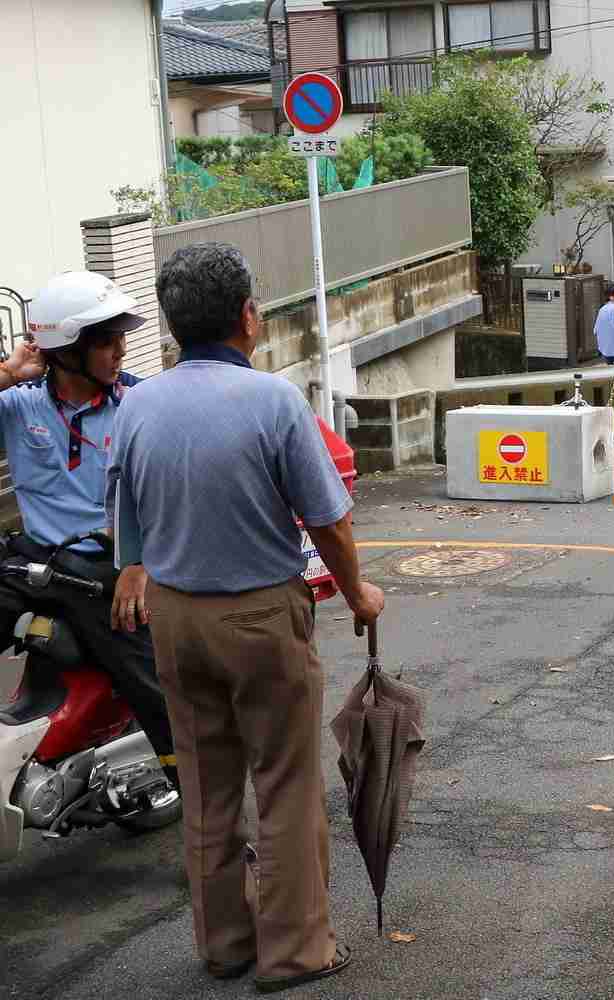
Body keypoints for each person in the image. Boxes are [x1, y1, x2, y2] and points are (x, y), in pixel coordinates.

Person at [109, 242, 383, 993]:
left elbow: (126, 518)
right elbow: (328, 520)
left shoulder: (137, 405)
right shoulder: (272, 401)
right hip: (261, 614)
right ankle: (294, 951)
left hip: (174, 615)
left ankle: (226, 943)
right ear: (248, 316)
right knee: (285, 782)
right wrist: (358, 593)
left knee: (207, 785)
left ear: (173, 326)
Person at [0, 271, 178, 792]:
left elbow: (167, 494)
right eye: (107, 340)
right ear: (67, 349)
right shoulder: (20, 404)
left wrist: (138, 566)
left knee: (154, 689)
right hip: (35, 562)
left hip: (107, 571)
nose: (121, 350)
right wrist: (8, 372)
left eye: (120, 337)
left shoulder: (140, 405)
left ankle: (202, 804)